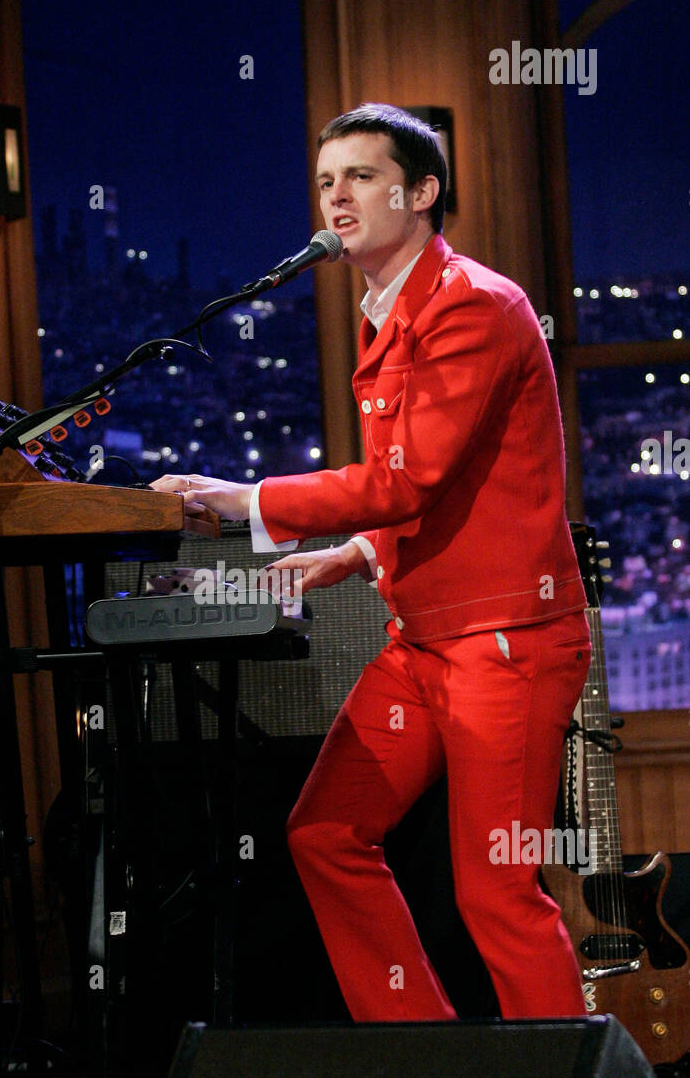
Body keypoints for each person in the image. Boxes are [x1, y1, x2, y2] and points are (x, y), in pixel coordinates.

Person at [151, 103, 591, 1022]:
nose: (335, 196)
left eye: (359, 175)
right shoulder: (390, 309)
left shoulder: (473, 303)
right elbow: (446, 482)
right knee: (326, 832)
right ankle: (424, 1057)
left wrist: (249, 500)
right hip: (425, 643)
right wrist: (353, 554)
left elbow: (408, 477)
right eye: (324, 180)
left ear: (421, 192)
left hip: (504, 644)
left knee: (498, 894)